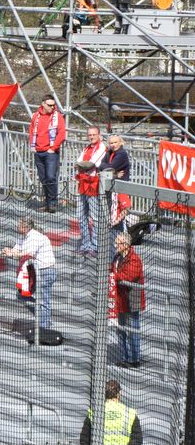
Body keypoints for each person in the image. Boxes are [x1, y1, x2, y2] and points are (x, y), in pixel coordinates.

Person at [3, 217, 56, 329]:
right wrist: (9, 251)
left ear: (25, 227)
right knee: (21, 294)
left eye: (19, 225)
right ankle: (40, 311)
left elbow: (28, 253)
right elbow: (17, 250)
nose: (17, 226)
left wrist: (12, 254)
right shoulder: (22, 237)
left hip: (45, 271)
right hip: (35, 272)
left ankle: (43, 329)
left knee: (43, 301)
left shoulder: (35, 236)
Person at [111, 232, 145, 369]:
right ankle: (124, 357)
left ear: (125, 245)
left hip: (131, 301)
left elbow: (128, 276)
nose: (115, 245)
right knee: (121, 329)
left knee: (132, 330)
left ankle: (134, 359)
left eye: (118, 243)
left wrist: (113, 276)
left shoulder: (135, 260)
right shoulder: (117, 257)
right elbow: (112, 270)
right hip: (120, 299)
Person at [28, 94, 66, 213]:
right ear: (43, 104)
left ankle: (52, 202)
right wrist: (33, 146)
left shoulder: (57, 116)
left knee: (50, 177)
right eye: (50, 105)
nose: (52, 107)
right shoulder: (36, 116)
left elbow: (62, 133)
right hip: (38, 151)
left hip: (50, 152)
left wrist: (53, 148)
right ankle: (47, 203)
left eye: (53, 105)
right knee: (43, 179)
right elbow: (31, 131)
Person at [80, 379, 143, 445]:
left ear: (104, 394)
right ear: (118, 394)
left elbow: (84, 439)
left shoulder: (95, 412)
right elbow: (137, 439)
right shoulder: (129, 413)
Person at [75, 127, 107, 256]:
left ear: (99, 135)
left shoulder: (102, 147)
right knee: (80, 216)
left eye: (94, 134)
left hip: (93, 185)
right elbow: (78, 163)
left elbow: (90, 164)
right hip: (82, 184)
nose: (91, 137)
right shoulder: (86, 148)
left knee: (95, 218)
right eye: (89, 135)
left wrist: (82, 165)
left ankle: (95, 245)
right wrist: (82, 165)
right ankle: (85, 244)